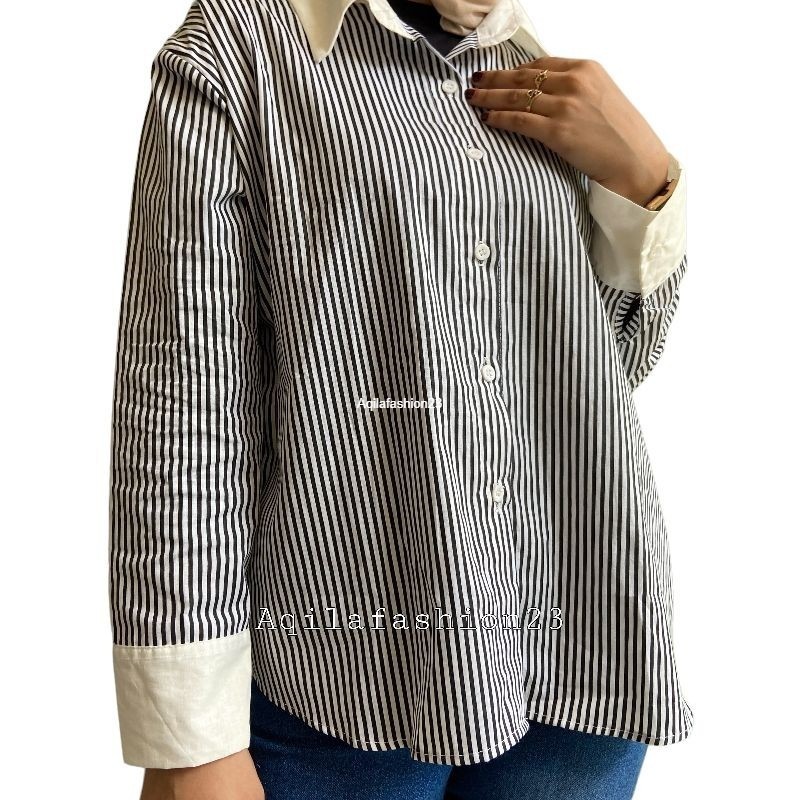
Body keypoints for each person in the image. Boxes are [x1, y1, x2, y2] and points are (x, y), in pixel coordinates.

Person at [108, 1, 692, 798]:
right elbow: (182, 412)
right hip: (353, 673)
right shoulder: (239, 51)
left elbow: (605, 370)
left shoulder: (519, 59)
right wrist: (189, 742)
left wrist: (644, 181)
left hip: (582, 638)